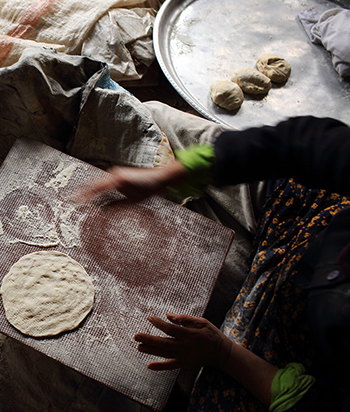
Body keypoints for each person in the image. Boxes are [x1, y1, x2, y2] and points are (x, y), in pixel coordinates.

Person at [84, 115, 350, 411]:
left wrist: (224, 354)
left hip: (303, 356)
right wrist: (170, 176)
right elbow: (304, 141)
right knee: (156, 117)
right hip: (307, 218)